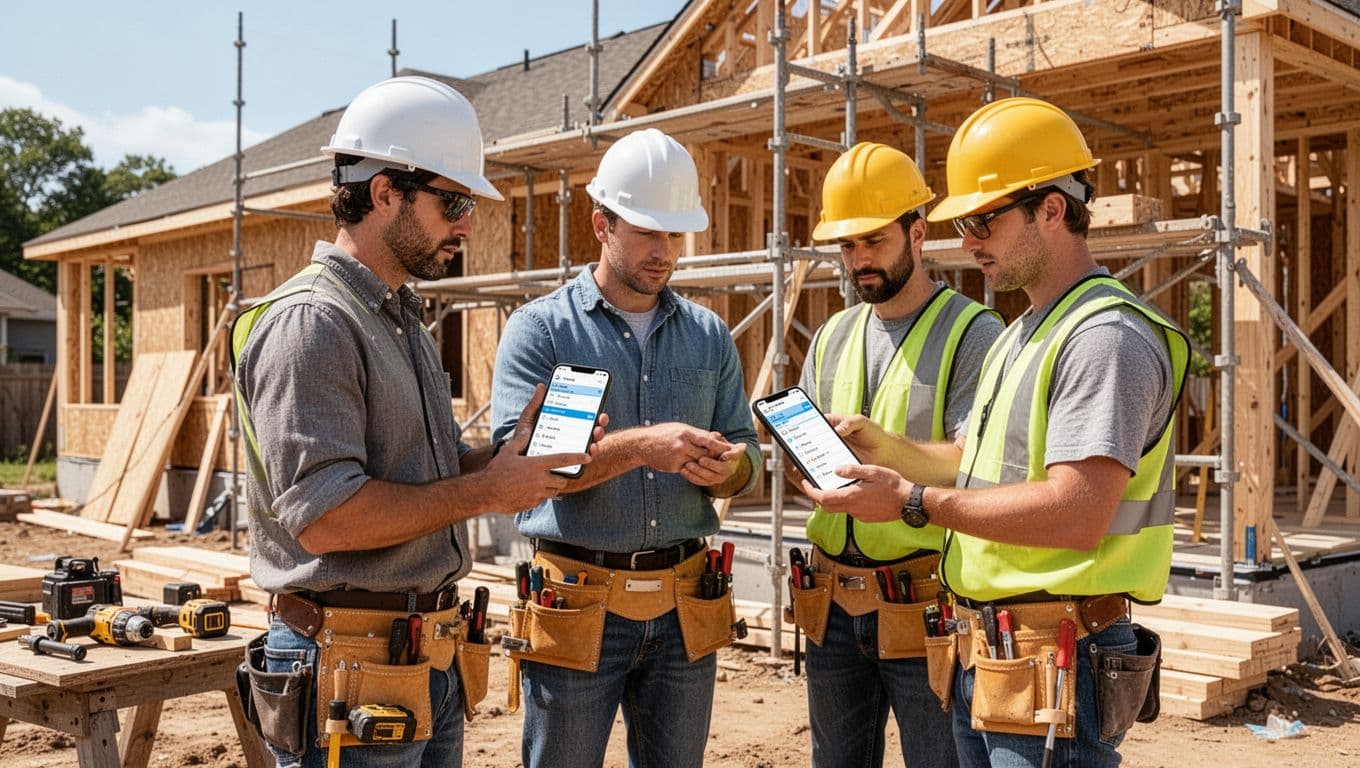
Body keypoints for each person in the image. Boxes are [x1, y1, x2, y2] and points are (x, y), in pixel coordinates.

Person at [800, 97, 1189, 768]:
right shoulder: (1021, 335)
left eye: (983, 219)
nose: (969, 240)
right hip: (995, 650)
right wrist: (890, 458)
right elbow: (980, 470)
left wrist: (913, 504)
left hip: (1059, 651)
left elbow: (1077, 512)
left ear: (1051, 208)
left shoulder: (1104, 338)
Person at [232, 76, 602, 768]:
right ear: (383, 193)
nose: (468, 222)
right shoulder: (313, 323)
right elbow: (327, 518)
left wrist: (501, 463)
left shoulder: (399, 317)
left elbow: (411, 474)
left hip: (418, 655)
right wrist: (489, 493)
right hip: (345, 662)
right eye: (453, 201)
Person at [490, 127, 762, 768]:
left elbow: (746, 454)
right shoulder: (541, 332)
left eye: (674, 234)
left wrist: (726, 470)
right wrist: (642, 447)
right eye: (647, 231)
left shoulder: (709, 335)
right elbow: (520, 477)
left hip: (684, 605)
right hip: (577, 601)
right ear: (601, 224)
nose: (664, 250)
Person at [785, 142, 1001, 768]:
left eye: (874, 241)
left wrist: (891, 453)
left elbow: (973, 464)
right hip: (830, 599)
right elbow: (809, 459)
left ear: (918, 230)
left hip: (924, 605)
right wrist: (809, 473)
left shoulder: (973, 331)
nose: (859, 261)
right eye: (847, 247)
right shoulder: (832, 334)